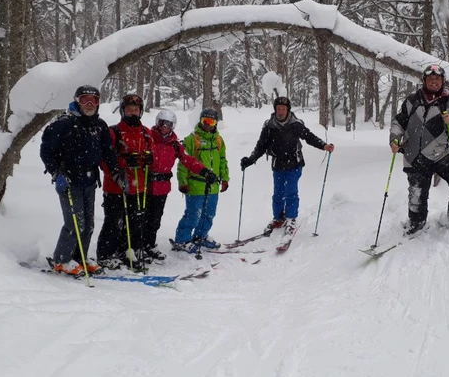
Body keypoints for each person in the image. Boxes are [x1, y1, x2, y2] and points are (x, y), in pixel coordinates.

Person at [40, 85, 125, 276]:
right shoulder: (63, 124)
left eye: (93, 100)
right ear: (77, 101)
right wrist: (56, 173)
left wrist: (116, 173)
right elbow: (46, 151)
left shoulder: (99, 125)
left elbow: (108, 153)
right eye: (85, 99)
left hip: (89, 179)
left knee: (88, 223)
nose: (89, 104)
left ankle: (80, 257)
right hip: (69, 180)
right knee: (74, 223)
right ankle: (61, 260)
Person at [389, 64, 449, 236]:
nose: (434, 82)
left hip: (439, 154)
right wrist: (394, 140)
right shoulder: (412, 101)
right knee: (417, 193)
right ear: (424, 81)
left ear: (442, 81)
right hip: (414, 156)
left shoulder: (448, 102)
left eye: (437, 79)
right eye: (430, 79)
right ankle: (416, 223)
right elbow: (398, 122)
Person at [239, 96, 334, 236]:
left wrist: (324, 145)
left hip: (294, 163)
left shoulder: (296, 124)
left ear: (288, 109)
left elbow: (309, 137)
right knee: (278, 194)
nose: (281, 111)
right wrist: (251, 159)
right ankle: (278, 218)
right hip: (278, 164)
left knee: (290, 192)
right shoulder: (269, 126)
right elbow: (261, 146)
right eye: (278, 108)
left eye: (283, 109)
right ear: (275, 109)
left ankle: (291, 219)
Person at [143, 109, 212, 259]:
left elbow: (187, 160)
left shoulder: (174, 144)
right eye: (162, 123)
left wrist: (204, 171)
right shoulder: (149, 138)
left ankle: (149, 245)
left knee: (155, 219)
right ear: (157, 123)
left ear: (172, 126)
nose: (164, 127)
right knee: (142, 217)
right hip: (145, 186)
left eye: (168, 124)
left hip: (162, 187)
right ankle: (138, 246)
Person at [96, 93, 154, 270]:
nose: (133, 113)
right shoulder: (113, 131)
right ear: (123, 111)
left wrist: (147, 159)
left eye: (136, 110)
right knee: (114, 221)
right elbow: (104, 160)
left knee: (135, 221)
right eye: (129, 110)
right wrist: (124, 162)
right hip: (116, 186)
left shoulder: (146, 132)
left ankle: (127, 250)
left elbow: (152, 153)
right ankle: (106, 254)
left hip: (138, 186)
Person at [173, 108, 230, 251]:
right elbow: (184, 162)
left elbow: (222, 160)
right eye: (205, 121)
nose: (207, 124)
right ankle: (182, 239)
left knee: (209, 214)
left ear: (216, 123)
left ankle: (200, 236)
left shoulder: (218, 140)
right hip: (195, 185)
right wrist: (183, 182)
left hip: (213, 185)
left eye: (211, 121)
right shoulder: (192, 139)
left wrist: (225, 178)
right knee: (193, 214)